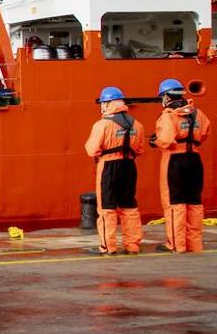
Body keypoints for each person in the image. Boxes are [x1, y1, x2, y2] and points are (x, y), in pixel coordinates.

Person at [83, 86, 145, 255]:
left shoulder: (102, 124)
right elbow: (140, 149)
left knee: (106, 208)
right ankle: (132, 246)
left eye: (103, 103)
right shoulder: (137, 124)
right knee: (129, 206)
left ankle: (108, 247)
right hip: (129, 166)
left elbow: (92, 150)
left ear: (107, 104)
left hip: (109, 167)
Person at [151, 78, 210, 253]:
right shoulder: (198, 114)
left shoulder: (168, 116)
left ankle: (176, 245)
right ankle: (194, 244)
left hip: (175, 160)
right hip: (195, 159)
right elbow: (205, 132)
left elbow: (166, 139)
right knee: (194, 203)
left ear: (167, 97)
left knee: (174, 203)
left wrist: (157, 141)